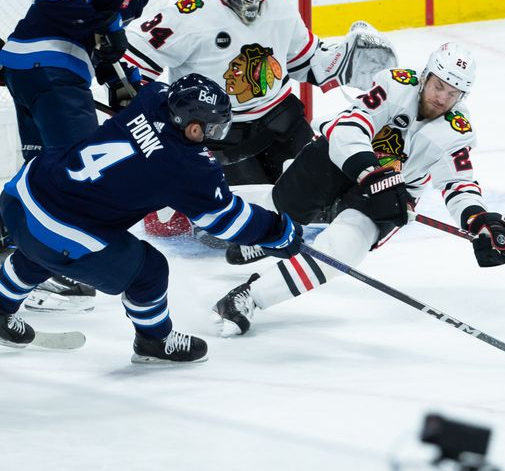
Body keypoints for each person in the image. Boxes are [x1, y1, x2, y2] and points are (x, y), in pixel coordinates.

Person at [211, 43, 505, 337]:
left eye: (453, 93)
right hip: (343, 157)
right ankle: (266, 236)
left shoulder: (457, 130)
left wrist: (479, 220)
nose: (442, 98)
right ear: (425, 76)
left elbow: (458, 182)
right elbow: (350, 127)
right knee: (282, 205)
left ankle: (250, 296)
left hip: (392, 193)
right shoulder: (395, 85)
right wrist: (369, 172)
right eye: (438, 86)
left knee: (340, 252)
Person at [0, 74, 302, 362]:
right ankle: (154, 341)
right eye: (213, 129)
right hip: (59, 232)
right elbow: (226, 220)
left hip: (19, 200)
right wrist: (276, 232)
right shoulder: (186, 167)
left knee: (40, 247)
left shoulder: (153, 96)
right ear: (194, 129)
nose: (215, 136)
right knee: (149, 271)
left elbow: (145, 92)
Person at [120, 0, 397, 237]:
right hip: (218, 135)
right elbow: (132, 60)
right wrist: (153, 121)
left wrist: (339, 65)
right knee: (235, 225)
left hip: (278, 121)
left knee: (323, 198)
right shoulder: (191, 12)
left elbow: (301, 58)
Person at [0, 0, 176, 312]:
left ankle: (13, 252)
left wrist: (118, 81)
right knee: (78, 177)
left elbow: (99, 42)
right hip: (50, 67)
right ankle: (47, 266)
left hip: (41, 67)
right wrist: (105, 26)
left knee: (41, 172)